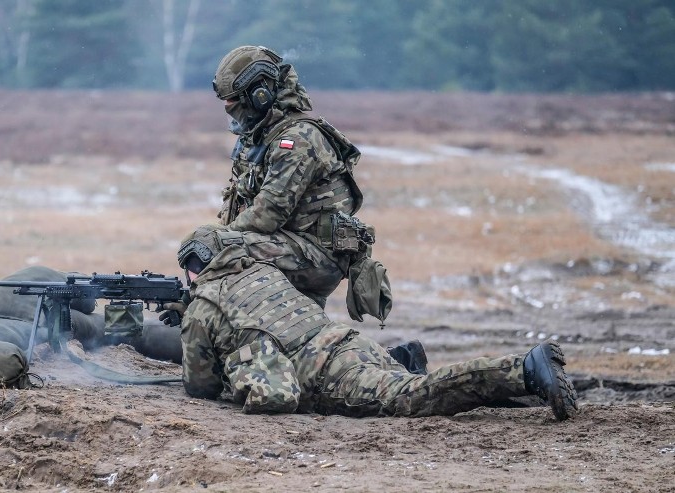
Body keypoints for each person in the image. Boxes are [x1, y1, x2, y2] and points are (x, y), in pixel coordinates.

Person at [176, 224, 579, 421]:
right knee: (413, 384)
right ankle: (514, 388)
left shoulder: (204, 306)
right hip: (349, 343)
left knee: (412, 397)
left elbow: (201, 386)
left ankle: (525, 368)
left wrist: (193, 328)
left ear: (194, 268)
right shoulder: (264, 272)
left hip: (327, 373)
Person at [209, 45, 390, 319]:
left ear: (260, 95)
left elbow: (266, 216)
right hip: (289, 245)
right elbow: (237, 205)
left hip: (317, 255)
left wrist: (215, 245)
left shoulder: (297, 139)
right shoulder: (261, 136)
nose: (231, 112)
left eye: (235, 102)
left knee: (213, 244)